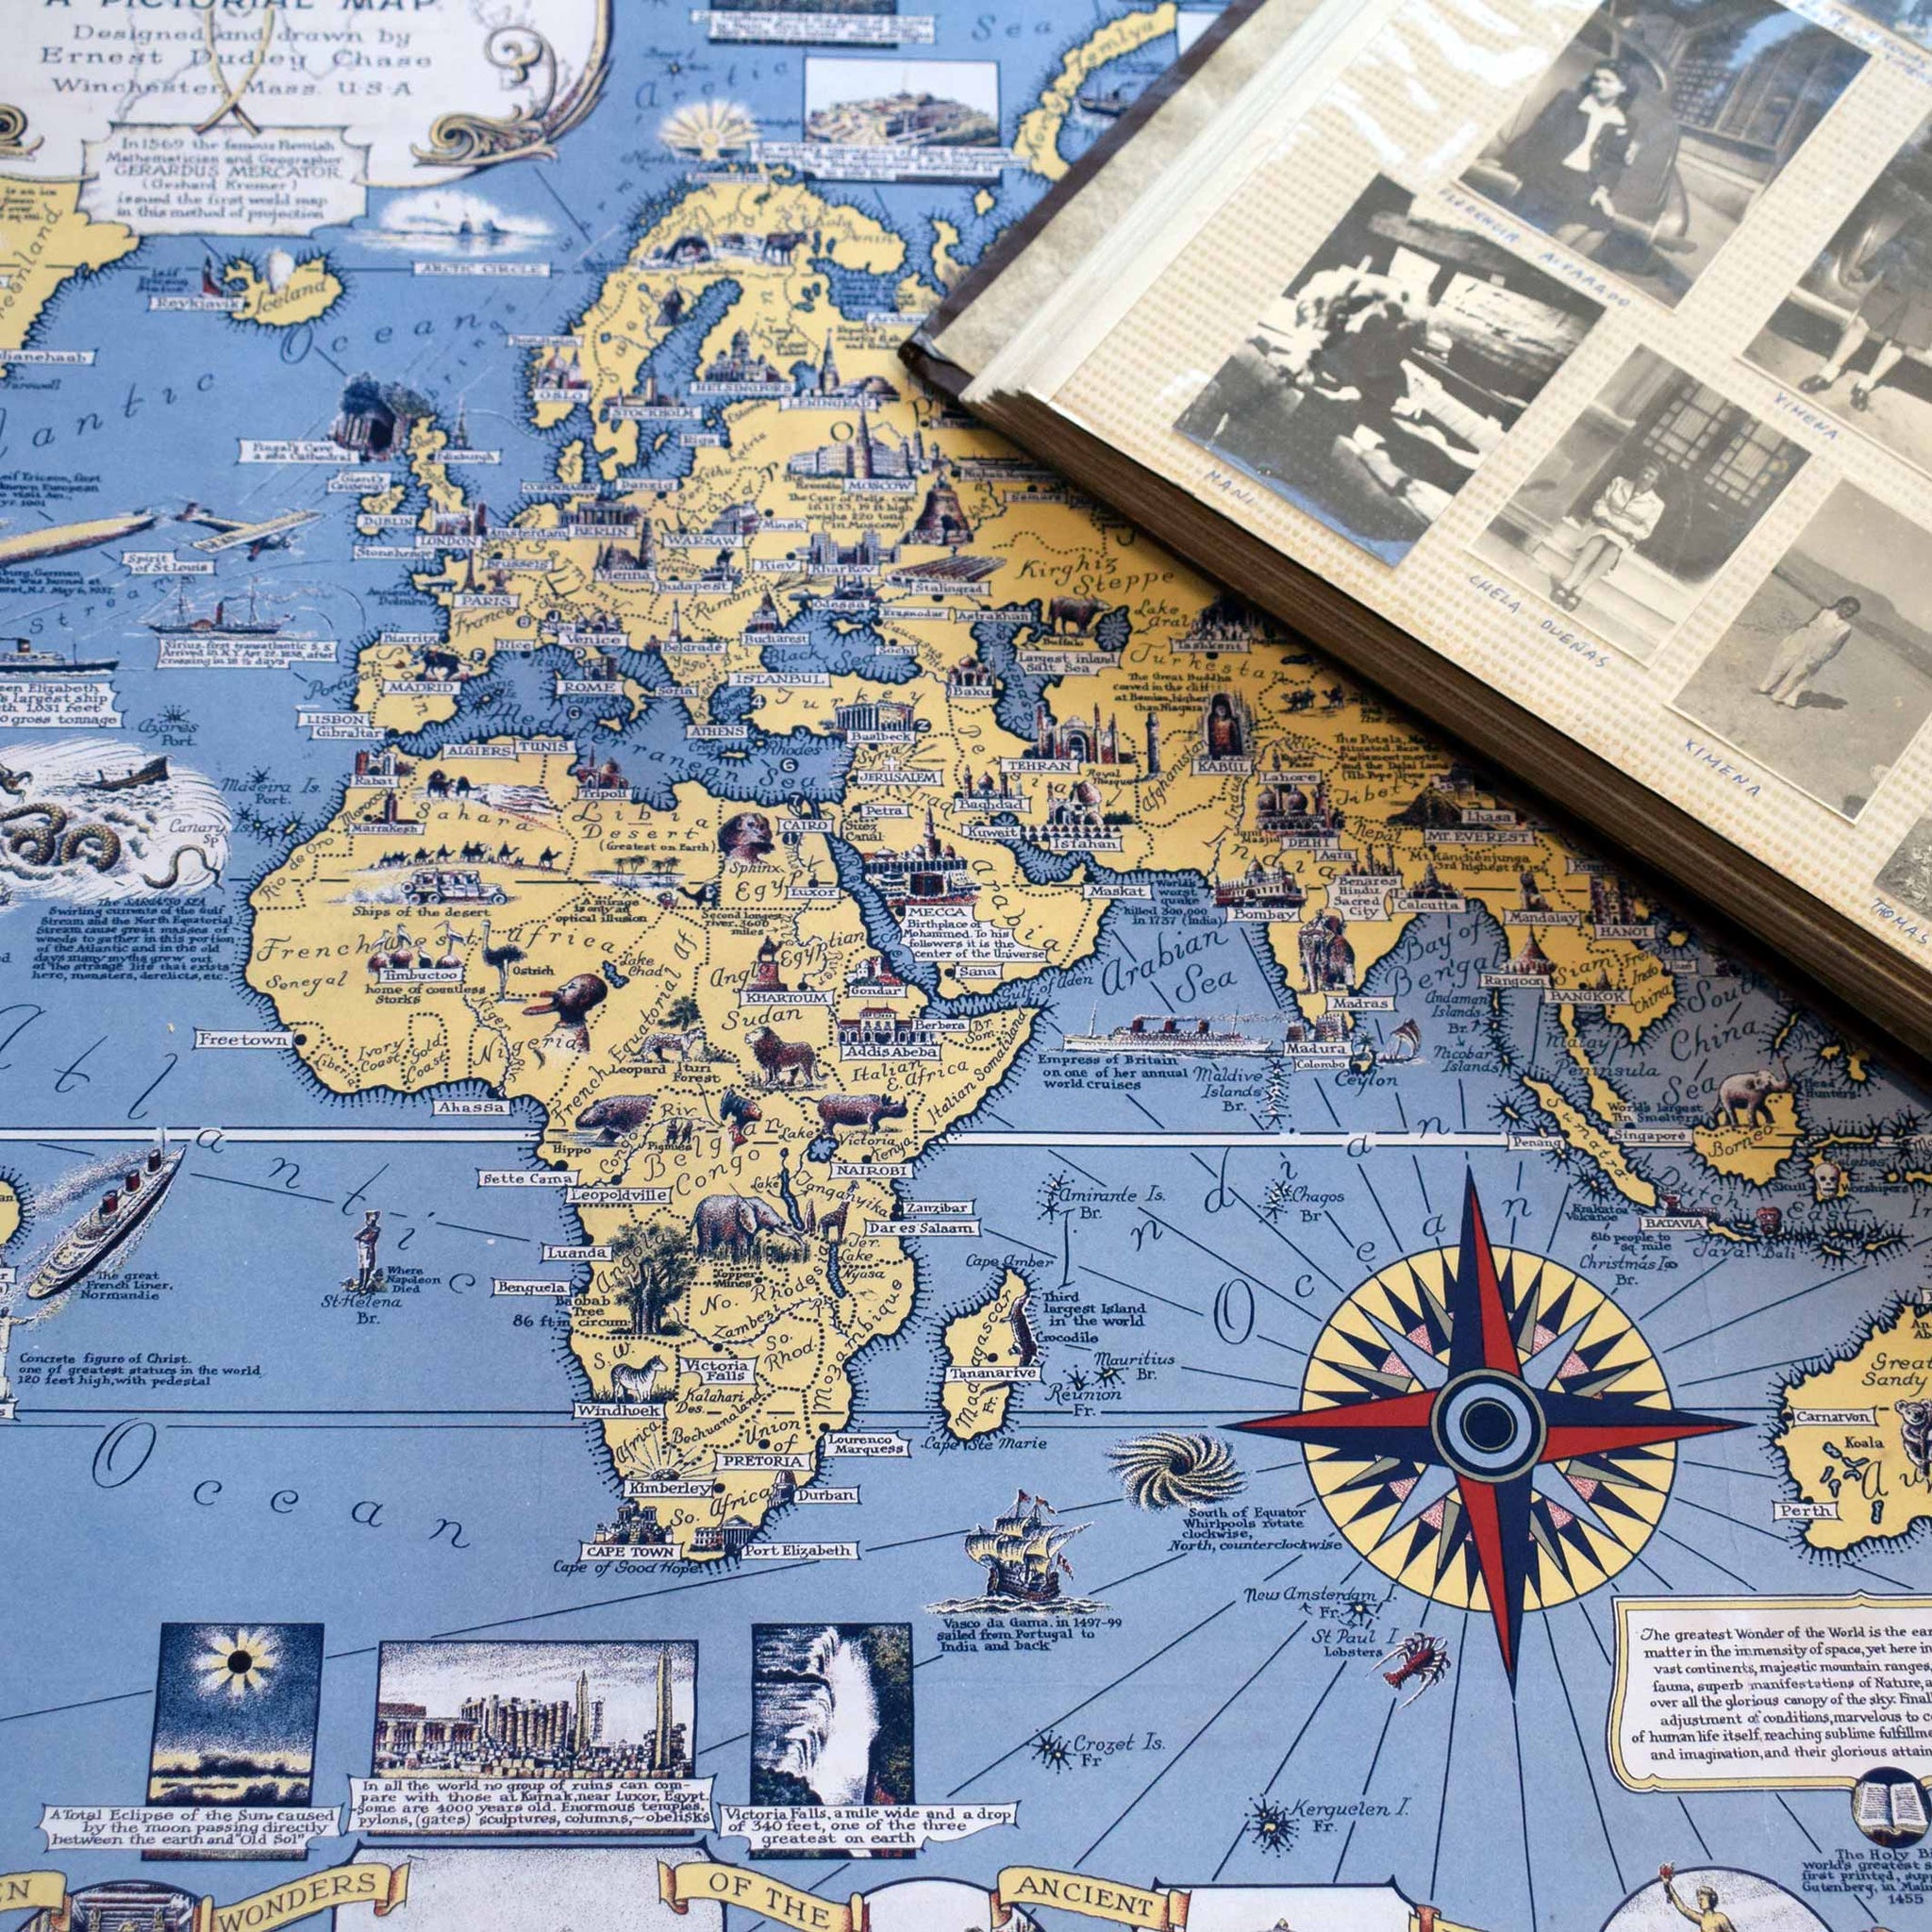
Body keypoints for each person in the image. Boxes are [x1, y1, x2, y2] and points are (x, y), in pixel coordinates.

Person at [1800, 204, 1932, 413]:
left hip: (1928, 296)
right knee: (1861, 323)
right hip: (1899, 279)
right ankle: (1827, 373)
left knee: (1900, 341)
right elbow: (1898, 242)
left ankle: (1865, 386)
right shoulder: (1927, 213)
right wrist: (1867, 269)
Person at [1499, 63, 1644, 244]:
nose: (1599, 84)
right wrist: (1512, 162)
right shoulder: (1569, 101)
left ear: (1623, 87)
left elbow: (1614, 162)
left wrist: (1602, 191)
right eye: (1597, 79)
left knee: (1602, 223)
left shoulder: (1626, 122)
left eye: (1608, 81)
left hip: (1583, 182)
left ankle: (1550, 254)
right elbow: (1540, 132)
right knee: (1532, 221)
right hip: (1550, 171)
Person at [1553, 460, 1667, 610]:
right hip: (1603, 523)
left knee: (1616, 546)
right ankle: (1569, 581)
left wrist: (1627, 532)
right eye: (1644, 472)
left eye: (1651, 475)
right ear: (1640, 472)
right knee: (1601, 536)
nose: (1645, 477)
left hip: (1624, 535)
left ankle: (1581, 589)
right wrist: (1604, 518)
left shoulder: (1657, 504)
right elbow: (1602, 503)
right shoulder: (1619, 482)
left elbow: (1646, 529)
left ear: (1656, 481)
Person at [1757, 594, 1861, 707]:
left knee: (1796, 675)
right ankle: (1765, 688)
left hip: (1816, 654)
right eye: (1847, 608)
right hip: (1801, 642)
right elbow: (1807, 624)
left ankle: (1778, 697)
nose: (1848, 612)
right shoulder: (1824, 612)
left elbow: (1836, 649)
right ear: (1840, 604)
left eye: (1852, 612)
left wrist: (1821, 660)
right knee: (1782, 665)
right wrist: (1791, 636)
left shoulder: (1845, 628)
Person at [1661, 1870, 1737, 1932]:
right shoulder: (1701, 1919)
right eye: (1698, 1899)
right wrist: (1669, 1886)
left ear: (1711, 1899)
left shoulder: (1720, 1917)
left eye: (1702, 1899)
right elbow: (1683, 1909)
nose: (1699, 1902)